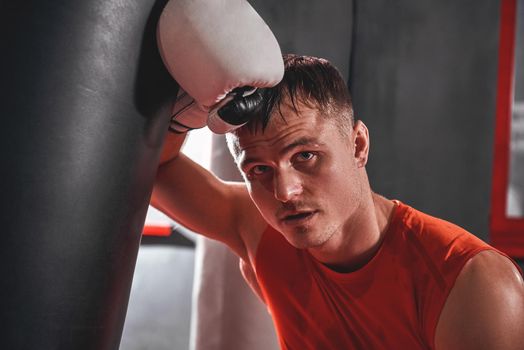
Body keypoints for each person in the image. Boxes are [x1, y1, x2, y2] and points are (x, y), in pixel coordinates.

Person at [152, 54, 524, 349]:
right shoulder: (260, 227)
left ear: (358, 145)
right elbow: (152, 170)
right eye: (260, 170)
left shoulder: (470, 283)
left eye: (306, 156)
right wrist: (187, 113)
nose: (285, 192)